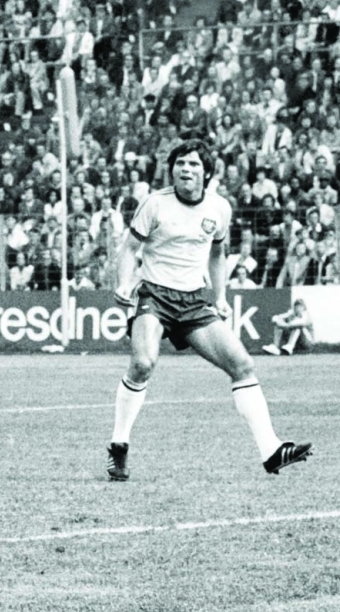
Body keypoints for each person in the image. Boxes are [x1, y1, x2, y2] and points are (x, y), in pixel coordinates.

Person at [107, 139, 311, 481]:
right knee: (142, 363)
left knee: (243, 364)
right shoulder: (155, 203)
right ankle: (119, 445)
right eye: (181, 163)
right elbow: (130, 247)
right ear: (171, 169)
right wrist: (125, 282)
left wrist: (219, 297)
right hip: (155, 296)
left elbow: (217, 255)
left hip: (193, 301)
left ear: (207, 172)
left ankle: (271, 450)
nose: (186, 169)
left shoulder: (219, 208)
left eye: (194, 164)